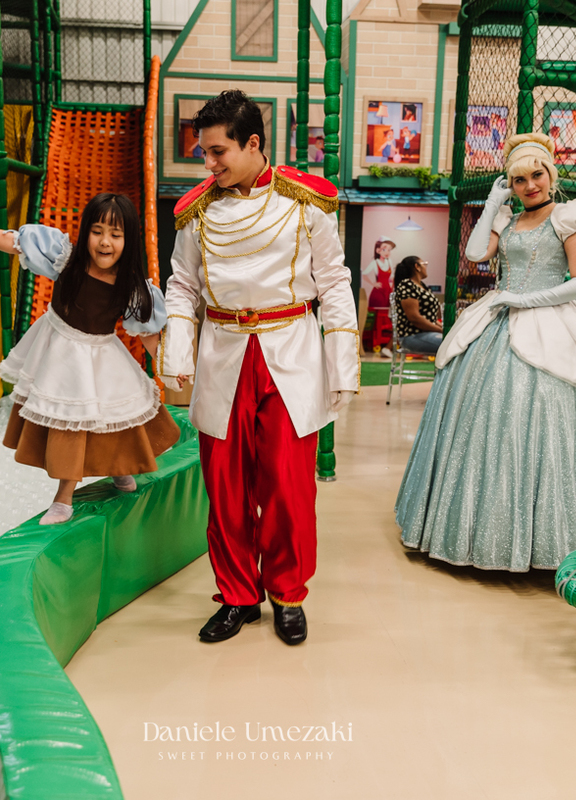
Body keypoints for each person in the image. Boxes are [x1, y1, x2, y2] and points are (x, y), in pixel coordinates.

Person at [161, 90, 358, 645]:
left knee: (289, 486)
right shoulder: (196, 212)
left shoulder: (305, 202)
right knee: (224, 487)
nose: (209, 163)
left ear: (253, 144)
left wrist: (343, 364)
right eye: (204, 152)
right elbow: (181, 285)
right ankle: (238, 596)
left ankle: (287, 594)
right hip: (223, 352)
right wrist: (178, 351)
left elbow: (336, 283)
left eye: (218, 151)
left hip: (289, 352)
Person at [395, 133, 576, 571]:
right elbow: (476, 254)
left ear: (552, 174)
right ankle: (474, 530)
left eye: (537, 175)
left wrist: (523, 300)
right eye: (518, 179)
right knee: (482, 417)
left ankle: (543, 536)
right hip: (499, 320)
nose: (530, 185)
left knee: (536, 422)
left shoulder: (570, 217)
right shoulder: (510, 219)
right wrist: (492, 206)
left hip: (545, 323)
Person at [0, 193, 180, 525]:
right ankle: (64, 498)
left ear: (128, 240)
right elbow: (11, 241)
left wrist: (170, 367)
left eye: (115, 235)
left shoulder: (130, 287)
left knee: (108, 417)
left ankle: (116, 471)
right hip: (60, 350)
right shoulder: (66, 258)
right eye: (98, 231)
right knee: (70, 419)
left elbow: (147, 332)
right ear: (86, 231)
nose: (105, 242)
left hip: (100, 354)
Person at [392, 256, 443, 354]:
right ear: (417, 267)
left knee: (455, 341)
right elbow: (415, 318)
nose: (426, 267)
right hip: (412, 336)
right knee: (452, 343)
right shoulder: (407, 285)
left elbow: (430, 319)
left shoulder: (422, 286)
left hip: (427, 334)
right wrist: (441, 330)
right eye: (424, 264)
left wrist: (443, 328)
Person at [360, 237, 396, 356]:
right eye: (385, 249)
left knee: (388, 316)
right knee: (378, 317)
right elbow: (364, 274)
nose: (387, 252)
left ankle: (386, 341)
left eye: (389, 250)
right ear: (378, 250)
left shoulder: (389, 262)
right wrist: (373, 284)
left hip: (388, 293)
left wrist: (392, 285)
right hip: (378, 295)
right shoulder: (375, 263)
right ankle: (374, 341)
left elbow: (391, 277)